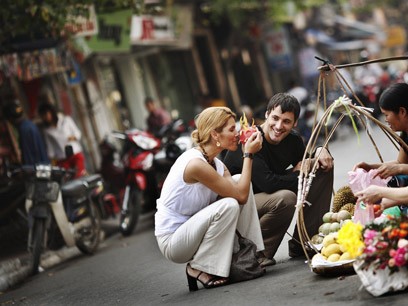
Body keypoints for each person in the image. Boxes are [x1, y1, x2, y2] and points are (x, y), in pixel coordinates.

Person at [154, 106, 264, 291]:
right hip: (174, 241)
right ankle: (198, 268)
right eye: (231, 129)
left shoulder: (217, 164)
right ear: (215, 134)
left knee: (238, 182)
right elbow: (240, 197)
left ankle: (247, 254)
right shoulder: (196, 164)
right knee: (229, 204)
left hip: (195, 231)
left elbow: (242, 191)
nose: (237, 133)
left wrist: (247, 152)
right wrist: (248, 154)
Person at [223, 93, 334, 262]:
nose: (279, 126)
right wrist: (297, 174)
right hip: (239, 204)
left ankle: (304, 241)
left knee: (322, 167)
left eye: (286, 121)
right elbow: (268, 184)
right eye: (275, 118)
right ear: (267, 115)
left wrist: (320, 149)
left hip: (266, 198)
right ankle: (256, 255)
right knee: (286, 198)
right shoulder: (250, 138)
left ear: (295, 123)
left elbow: (308, 161)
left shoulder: (293, 140)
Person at [353, 83, 408, 180]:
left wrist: (399, 169)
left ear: (402, 112)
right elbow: (400, 162)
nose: (385, 120)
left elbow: (400, 166)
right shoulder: (405, 135)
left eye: (386, 115)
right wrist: (370, 167)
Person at [38, 102, 86, 178]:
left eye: (46, 114)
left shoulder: (66, 120)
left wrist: (73, 137)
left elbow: (78, 133)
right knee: (67, 180)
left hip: (75, 153)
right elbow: (50, 148)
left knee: (79, 176)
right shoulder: (47, 131)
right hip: (62, 158)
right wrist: (50, 160)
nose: (46, 117)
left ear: (51, 112)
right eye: (43, 116)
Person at [2, 99, 49, 166]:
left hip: (38, 170)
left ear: (11, 119)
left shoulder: (24, 129)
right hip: (44, 166)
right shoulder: (29, 125)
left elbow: (29, 158)